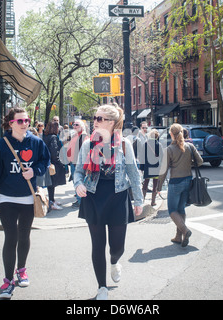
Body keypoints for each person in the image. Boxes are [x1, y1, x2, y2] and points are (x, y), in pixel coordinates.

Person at [73, 104, 143, 300]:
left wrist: (138, 200)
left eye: (99, 118)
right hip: (93, 197)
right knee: (97, 245)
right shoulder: (88, 144)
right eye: (94, 118)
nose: (94, 122)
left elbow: (133, 174)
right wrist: (78, 185)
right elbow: (78, 172)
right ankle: (101, 287)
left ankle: (114, 262)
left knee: (117, 246)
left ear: (111, 123)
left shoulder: (124, 144)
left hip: (118, 196)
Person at [0, 107, 50, 299]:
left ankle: (21, 270)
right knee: (10, 237)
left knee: (24, 235)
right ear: (10, 123)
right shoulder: (2, 145)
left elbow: (45, 161)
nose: (24, 124)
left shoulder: (36, 142)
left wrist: (35, 171)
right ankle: (7, 281)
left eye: (27, 120)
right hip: (7, 198)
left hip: (28, 198)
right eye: (20, 121)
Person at [158, 123, 203, 247]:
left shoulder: (169, 149)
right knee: (181, 209)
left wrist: (159, 187)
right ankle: (178, 237)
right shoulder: (190, 146)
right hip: (188, 181)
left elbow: (163, 170)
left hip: (175, 183)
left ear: (171, 134)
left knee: (172, 210)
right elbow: (200, 162)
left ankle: (185, 230)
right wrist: (188, 163)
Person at [43, 120, 67, 211]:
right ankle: (51, 202)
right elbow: (54, 152)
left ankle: (52, 200)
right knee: (52, 183)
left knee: (51, 184)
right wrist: (60, 162)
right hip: (54, 164)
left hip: (48, 163)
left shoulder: (46, 136)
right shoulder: (53, 137)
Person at [66, 119, 89, 208]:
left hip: (78, 163)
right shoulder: (75, 135)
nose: (74, 126)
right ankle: (79, 199)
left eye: (77, 125)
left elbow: (83, 152)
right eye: (73, 124)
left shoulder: (83, 137)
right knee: (76, 181)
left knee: (78, 180)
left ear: (82, 127)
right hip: (73, 162)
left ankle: (80, 201)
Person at [141, 129, 163, 206]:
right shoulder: (158, 144)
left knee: (145, 183)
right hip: (156, 167)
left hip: (147, 167)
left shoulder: (146, 144)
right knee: (155, 184)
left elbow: (142, 157)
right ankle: (153, 201)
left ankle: (142, 200)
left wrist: (142, 168)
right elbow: (162, 157)